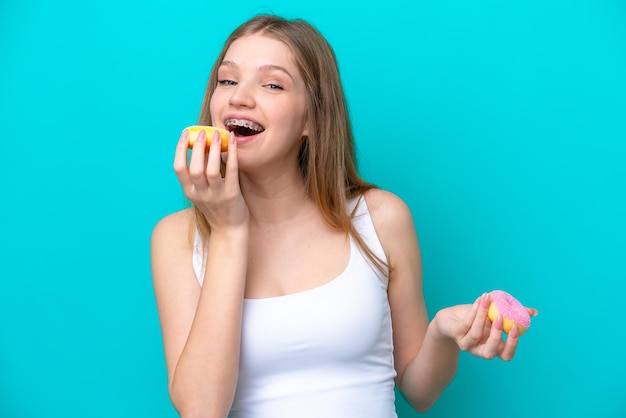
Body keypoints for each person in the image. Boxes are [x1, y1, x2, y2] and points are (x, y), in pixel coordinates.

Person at [150, 14, 537, 418]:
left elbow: (420, 393)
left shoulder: (381, 218)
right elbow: (201, 409)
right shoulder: (176, 239)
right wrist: (229, 230)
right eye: (227, 80)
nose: (239, 97)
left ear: (312, 120)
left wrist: (440, 332)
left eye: (272, 84)